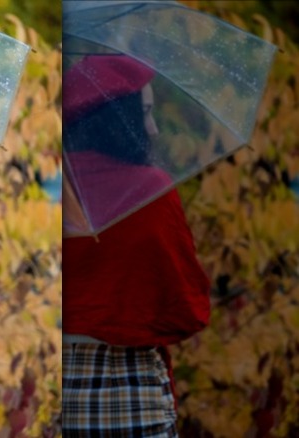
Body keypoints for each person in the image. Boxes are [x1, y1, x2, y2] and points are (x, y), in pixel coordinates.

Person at [61, 55, 211, 437]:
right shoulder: (149, 191)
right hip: (126, 383)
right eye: (145, 113)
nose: (154, 129)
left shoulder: (60, 185)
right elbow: (186, 306)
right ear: (119, 119)